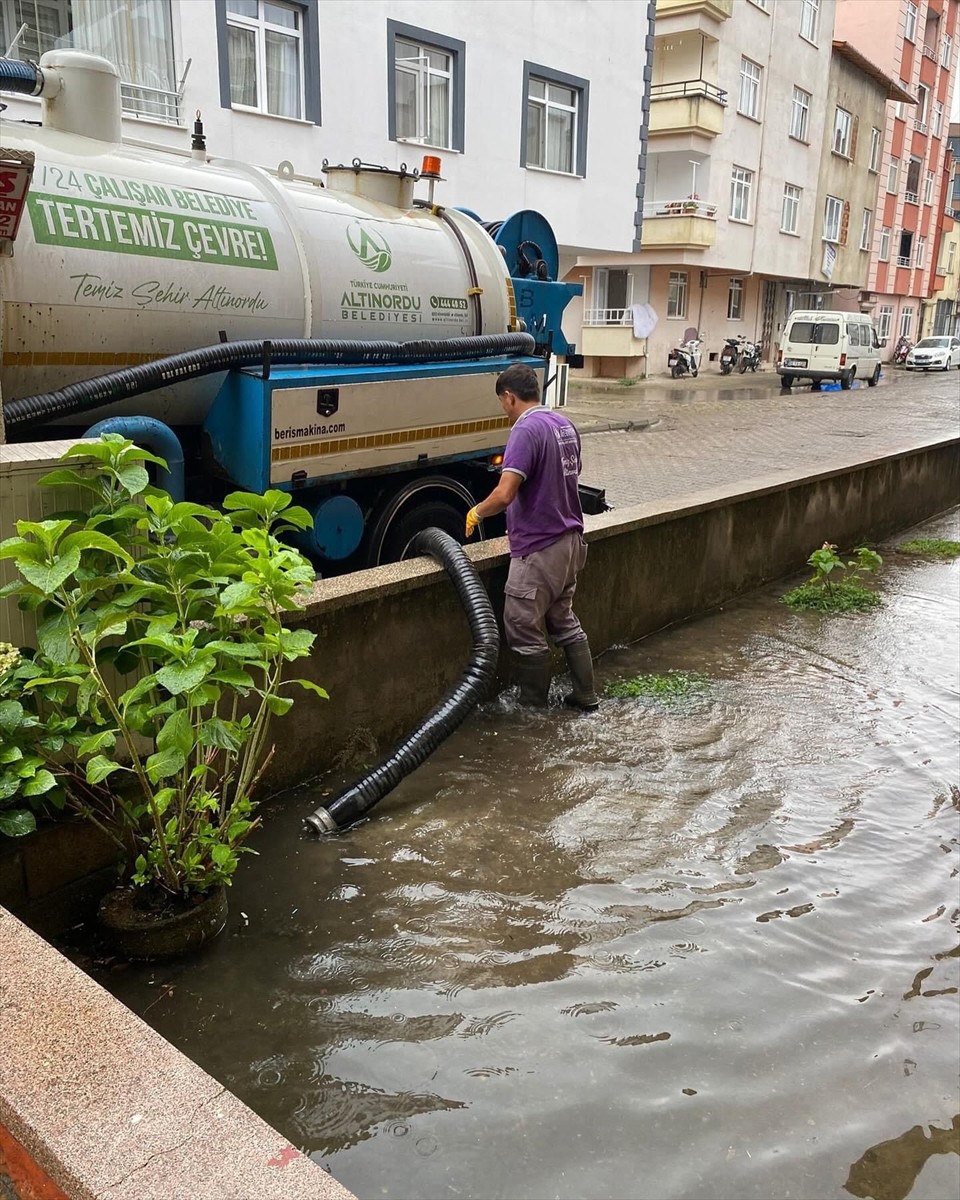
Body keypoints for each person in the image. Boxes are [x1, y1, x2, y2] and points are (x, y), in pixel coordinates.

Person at [464, 363, 598, 710]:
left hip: (540, 545)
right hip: (571, 542)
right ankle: (586, 694)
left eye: (501, 403)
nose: (503, 410)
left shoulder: (526, 430)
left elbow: (506, 493)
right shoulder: (563, 424)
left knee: (521, 624)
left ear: (509, 398)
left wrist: (477, 511)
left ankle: (532, 711)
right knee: (562, 617)